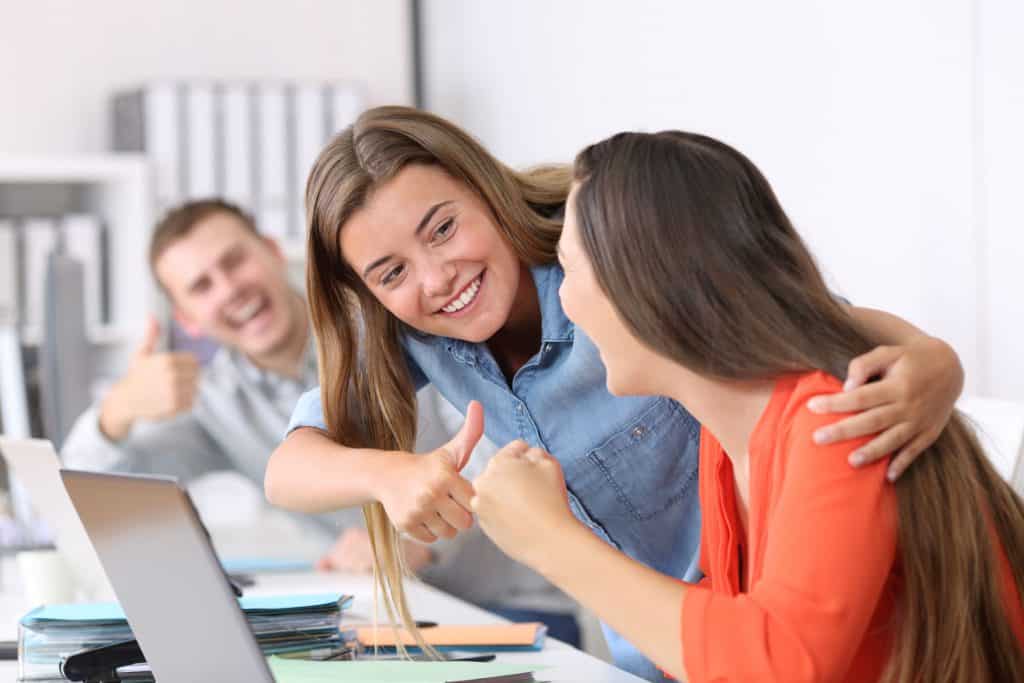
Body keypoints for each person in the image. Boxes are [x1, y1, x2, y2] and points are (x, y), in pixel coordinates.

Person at [265, 106, 966, 680]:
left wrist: (935, 360)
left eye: (444, 227)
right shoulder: (415, 332)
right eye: (391, 273)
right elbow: (288, 468)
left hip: (757, 633)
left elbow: (789, 317)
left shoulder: (605, 253)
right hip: (662, 652)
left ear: (485, 189)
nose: (437, 276)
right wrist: (392, 473)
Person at [470, 130, 1024, 682]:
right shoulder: (726, 437)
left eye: (569, 269)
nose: (563, 301)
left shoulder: (833, 421)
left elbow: (776, 665)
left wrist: (551, 541)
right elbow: (726, 630)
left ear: (646, 284)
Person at [59, 200, 578, 641]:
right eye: (201, 286)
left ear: (271, 250)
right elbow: (83, 493)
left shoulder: (387, 317)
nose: (229, 289)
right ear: (187, 318)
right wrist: (117, 410)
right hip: (376, 623)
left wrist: (413, 541)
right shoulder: (215, 406)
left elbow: (495, 437)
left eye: (234, 261)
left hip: (509, 606)